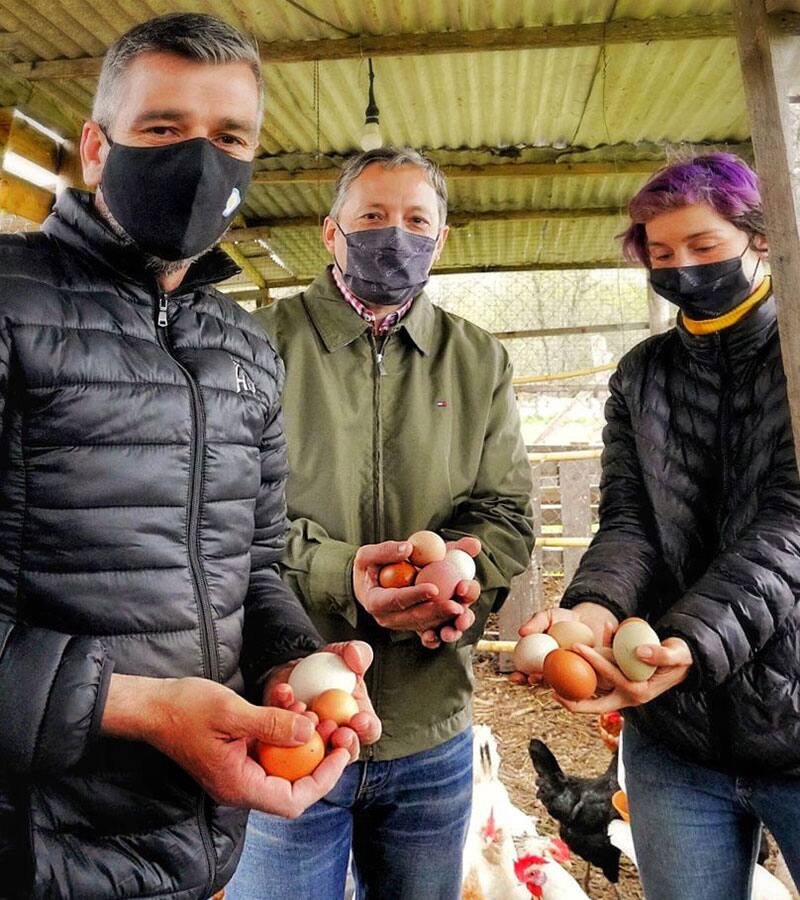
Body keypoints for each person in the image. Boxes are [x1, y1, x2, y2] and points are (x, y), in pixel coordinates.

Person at [0, 13, 379, 899]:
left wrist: (292, 665)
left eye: (229, 138)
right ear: (96, 148)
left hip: (193, 843)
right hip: (30, 848)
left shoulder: (244, 349)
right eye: (163, 129)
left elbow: (252, 566)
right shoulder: (9, 302)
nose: (199, 161)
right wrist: (134, 707)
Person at [227, 147, 535, 900]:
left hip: (430, 728)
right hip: (288, 712)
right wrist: (344, 575)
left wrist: (457, 587)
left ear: (441, 238)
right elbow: (225, 515)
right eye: (370, 217)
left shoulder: (476, 359)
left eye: (414, 221)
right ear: (330, 233)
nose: (393, 235)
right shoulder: (255, 347)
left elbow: (506, 514)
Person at [519, 153, 800, 899]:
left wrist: (692, 640)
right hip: (675, 739)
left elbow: (793, 522)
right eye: (661, 253)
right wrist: (594, 606)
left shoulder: (797, 353)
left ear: (760, 240)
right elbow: (631, 519)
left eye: (704, 248)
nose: (681, 269)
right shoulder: (643, 374)